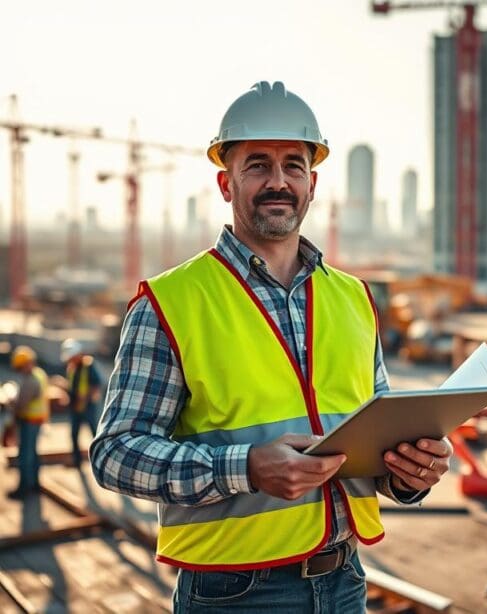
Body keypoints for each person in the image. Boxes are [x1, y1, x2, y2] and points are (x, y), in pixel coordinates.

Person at [90, 81, 453, 613]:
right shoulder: (171, 302)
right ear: (225, 183)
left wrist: (407, 473)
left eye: (293, 166)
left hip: (346, 579)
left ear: (313, 184)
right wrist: (245, 468)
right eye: (257, 165)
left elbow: (370, 442)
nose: (278, 182)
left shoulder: (353, 298)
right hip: (234, 594)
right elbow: (115, 455)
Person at [8, 346, 49, 500]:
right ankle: (35, 485)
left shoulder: (31, 380)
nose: (19, 371)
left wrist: (12, 403)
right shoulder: (40, 373)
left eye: (20, 367)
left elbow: (21, 405)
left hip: (30, 421)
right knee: (33, 453)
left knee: (25, 456)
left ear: (27, 364)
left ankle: (23, 489)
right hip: (37, 420)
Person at [60, 338, 103, 467]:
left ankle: (101, 461)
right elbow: (72, 386)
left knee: (94, 433)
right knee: (74, 434)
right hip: (75, 407)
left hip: (88, 406)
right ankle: (77, 461)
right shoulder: (71, 368)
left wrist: (86, 397)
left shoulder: (89, 366)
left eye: (72, 357)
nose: (70, 360)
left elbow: (97, 384)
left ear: (78, 354)